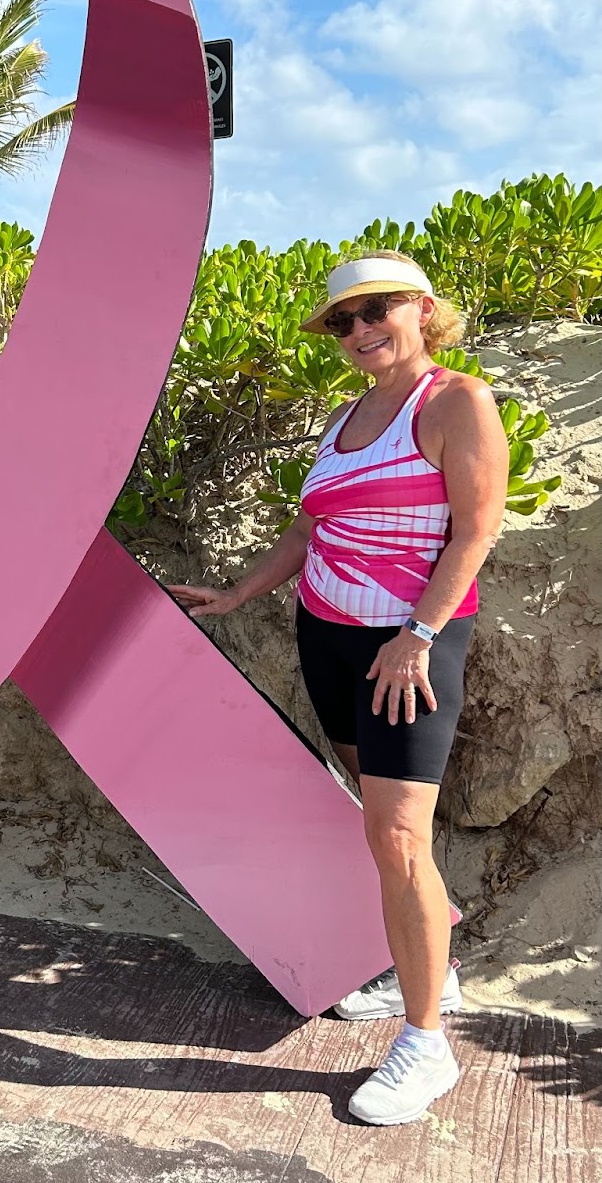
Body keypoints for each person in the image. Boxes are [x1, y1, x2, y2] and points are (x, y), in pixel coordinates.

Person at [170, 250, 509, 1127]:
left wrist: (416, 637)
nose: (359, 330)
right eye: (342, 321)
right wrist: (239, 592)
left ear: (421, 309)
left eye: (376, 309)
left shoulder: (456, 402)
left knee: (397, 833)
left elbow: (474, 534)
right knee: (379, 823)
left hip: (408, 649)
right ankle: (434, 971)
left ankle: (425, 1043)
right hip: (328, 640)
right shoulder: (343, 417)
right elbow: (308, 528)